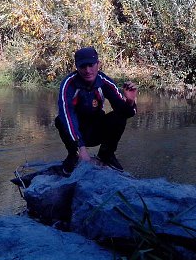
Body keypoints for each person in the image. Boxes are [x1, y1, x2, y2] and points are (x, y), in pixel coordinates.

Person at [54, 47, 138, 175]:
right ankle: (73, 155)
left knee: (119, 115)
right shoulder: (68, 84)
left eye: (91, 65)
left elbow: (126, 113)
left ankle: (106, 155)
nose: (88, 70)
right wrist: (81, 148)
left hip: (97, 130)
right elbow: (67, 115)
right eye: (83, 66)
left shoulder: (105, 82)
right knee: (60, 119)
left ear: (98, 64)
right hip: (77, 134)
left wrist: (130, 101)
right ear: (77, 67)